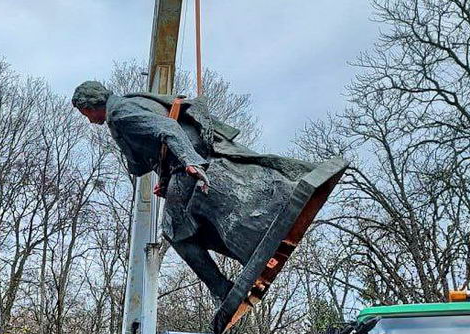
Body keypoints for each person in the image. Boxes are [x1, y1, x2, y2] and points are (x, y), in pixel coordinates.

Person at [71, 80, 346, 309]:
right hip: (180, 163)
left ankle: (222, 289)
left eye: (85, 114)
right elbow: (154, 148)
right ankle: (247, 254)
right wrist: (164, 179)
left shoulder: (119, 115)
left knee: (175, 232)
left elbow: (167, 129)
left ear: (90, 107)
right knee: (189, 224)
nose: (89, 120)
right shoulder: (131, 100)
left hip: (186, 162)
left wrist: (189, 161)